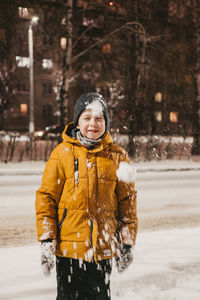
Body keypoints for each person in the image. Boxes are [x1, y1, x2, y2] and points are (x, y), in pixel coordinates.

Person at [35, 92, 138, 300]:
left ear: (106, 123)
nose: (93, 123)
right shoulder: (62, 153)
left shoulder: (117, 156)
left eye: (99, 118)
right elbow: (46, 198)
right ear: (77, 121)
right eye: (87, 117)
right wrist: (47, 239)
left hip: (103, 250)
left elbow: (128, 202)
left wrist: (126, 243)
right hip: (69, 251)